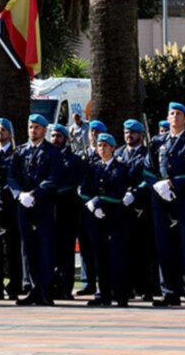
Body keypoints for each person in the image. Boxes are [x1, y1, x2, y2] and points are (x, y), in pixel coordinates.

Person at [144, 102, 185, 308]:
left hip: (184, 200)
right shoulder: (156, 141)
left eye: (179, 114)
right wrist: (157, 185)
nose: (175, 117)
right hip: (161, 201)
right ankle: (170, 292)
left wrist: (172, 184)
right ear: (168, 118)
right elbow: (147, 169)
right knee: (164, 247)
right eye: (172, 113)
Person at [7, 114, 62, 306]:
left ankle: (45, 291)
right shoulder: (20, 151)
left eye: (37, 127)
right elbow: (11, 176)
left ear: (45, 130)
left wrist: (35, 194)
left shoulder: (52, 152)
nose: (33, 131)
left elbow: (53, 178)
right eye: (31, 127)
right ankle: (32, 288)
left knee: (45, 248)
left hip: (43, 205)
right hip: (24, 205)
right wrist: (20, 194)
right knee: (28, 248)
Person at [80, 133, 129, 307]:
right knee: (100, 257)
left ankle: (121, 295)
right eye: (99, 145)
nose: (102, 149)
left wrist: (99, 202)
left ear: (113, 148)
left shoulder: (121, 168)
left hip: (114, 217)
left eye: (105, 146)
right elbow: (84, 189)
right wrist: (91, 204)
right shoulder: (94, 167)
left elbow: (119, 191)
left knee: (117, 257)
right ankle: (104, 294)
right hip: (96, 218)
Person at [115, 119, 157, 301]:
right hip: (121, 207)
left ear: (141, 134)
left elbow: (149, 178)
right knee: (124, 249)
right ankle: (127, 287)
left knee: (143, 250)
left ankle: (146, 288)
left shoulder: (147, 154)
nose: (129, 135)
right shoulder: (118, 153)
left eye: (132, 132)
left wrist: (134, 192)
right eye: (126, 132)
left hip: (141, 208)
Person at [0, 118, 22, 301]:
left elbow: (16, 178)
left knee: (13, 247)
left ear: (10, 133)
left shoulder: (16, 154)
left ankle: (15, 285)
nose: (0, 132)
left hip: (10, 206)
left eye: (3, 130)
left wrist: (2, 194)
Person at [51, 123, 84, 301]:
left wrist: (51, 188)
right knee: (52, 251)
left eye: (59, 136)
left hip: (67, 211)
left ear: (66, 139)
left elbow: (72, 182)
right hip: (49, 211)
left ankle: (65, 287)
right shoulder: (47, 156)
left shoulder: (74, 160)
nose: (55, 139)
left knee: (66, 251)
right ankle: (53, 285)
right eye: (53, 136)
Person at [76, 120, 106, 297]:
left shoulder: (106, 154)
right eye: (92, 131)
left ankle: (104, 283)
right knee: (85, 246)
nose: (94, 135)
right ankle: (88, 282)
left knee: (100, 247)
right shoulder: (82, 155)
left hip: (101, 206)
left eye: (97, 131)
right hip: (84, 206)